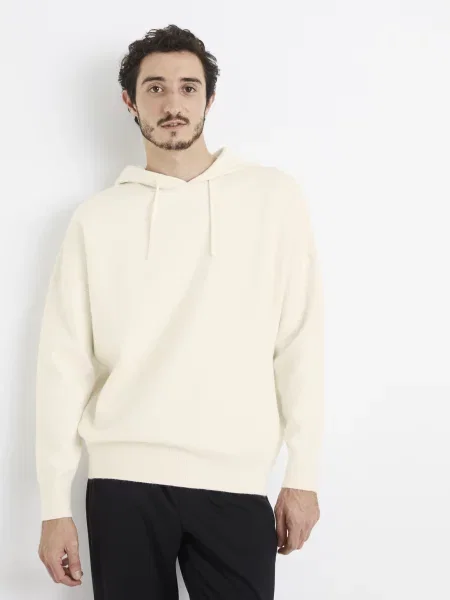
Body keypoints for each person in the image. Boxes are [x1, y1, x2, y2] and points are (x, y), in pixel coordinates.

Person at [36, 24, 324, 600]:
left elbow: (300, 341)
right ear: (130, 101)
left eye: (189, 88)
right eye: (156, 88)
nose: (173, 103)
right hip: (122, 481)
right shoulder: (97, 219)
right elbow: (63, 364)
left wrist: (304, 475)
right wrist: (52, 506)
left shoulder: (273, 198)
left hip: (234, 480)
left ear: (209, 99)